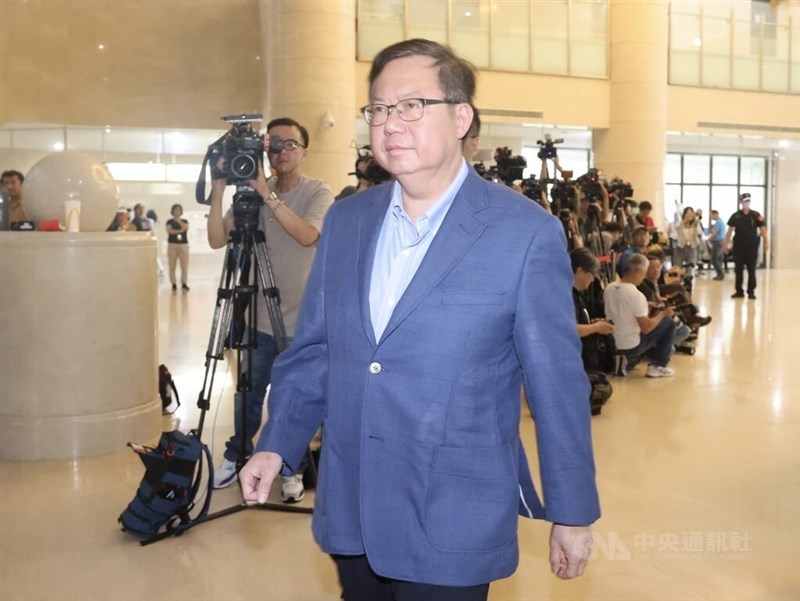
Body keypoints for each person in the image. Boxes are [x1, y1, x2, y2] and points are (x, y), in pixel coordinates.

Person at [239, 39, 600, 599]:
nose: (390, 123)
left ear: (461, 117)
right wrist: (275, 441)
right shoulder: (347, 221)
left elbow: (556, 385)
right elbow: (317, 350)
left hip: (454, 510)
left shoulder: (524, 233)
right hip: (354, 503)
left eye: (412, 105)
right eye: (379, 109)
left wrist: (572, 510)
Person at [208, 117, 334, 502]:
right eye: (274, 144)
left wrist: (266, 193)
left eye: (291, 145)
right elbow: (216, 239)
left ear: (304, 152)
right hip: (257, 320)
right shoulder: (250, 195)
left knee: (290, 401)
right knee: (247, 395)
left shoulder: (318, 190)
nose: (282, 152)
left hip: (302, 321)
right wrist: (217, 192)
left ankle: (291, 467)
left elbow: (308, 235)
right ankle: (237, 454)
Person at [604, 253, 677, 378]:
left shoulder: (609, 288)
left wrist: (645, 306)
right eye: (644, 273)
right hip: (629, 346)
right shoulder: (636, 295)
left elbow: (622, 308)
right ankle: (657, 365)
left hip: (612, 343)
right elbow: (646, 328)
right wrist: (663, 314)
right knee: (669, 323)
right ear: (637, 271)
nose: (643, 278)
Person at [724, 193, 768, 299]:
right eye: (744, 201)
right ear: (740, 202)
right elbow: (729, 231)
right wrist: (726, 244)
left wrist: (767, 241)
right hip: (738, 247)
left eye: (748, 200)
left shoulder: (756, 215)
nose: (746, 203)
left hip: (752, 247)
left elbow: (763, 229)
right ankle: (739, 291)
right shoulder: (735, 216)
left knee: (751, 269)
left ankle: (751, 291)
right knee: (738, 269)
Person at [166, 203, 190, 291]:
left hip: (183, 245)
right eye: (175, 210)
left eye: (179, 210)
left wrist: (178, 221)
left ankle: (184, 283)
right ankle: (173, 283)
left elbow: (186, 228)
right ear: (172, 211)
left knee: (184, 265)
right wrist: (180, 230)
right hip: (172, 245)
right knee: (172, 265)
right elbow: (169, 231)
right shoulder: (169, 221)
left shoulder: (184, 221)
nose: (177, 211)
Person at [708, 209, 727, 280]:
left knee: (714, 259)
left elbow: (714, 233)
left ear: (715, 214)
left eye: (711, 215)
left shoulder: (718, 223)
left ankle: (720, 273)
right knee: (719, 258)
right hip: (721, 241)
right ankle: (720, 273)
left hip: (717, 242)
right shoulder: (721, 222)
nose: (710, 217)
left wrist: (709, 238)